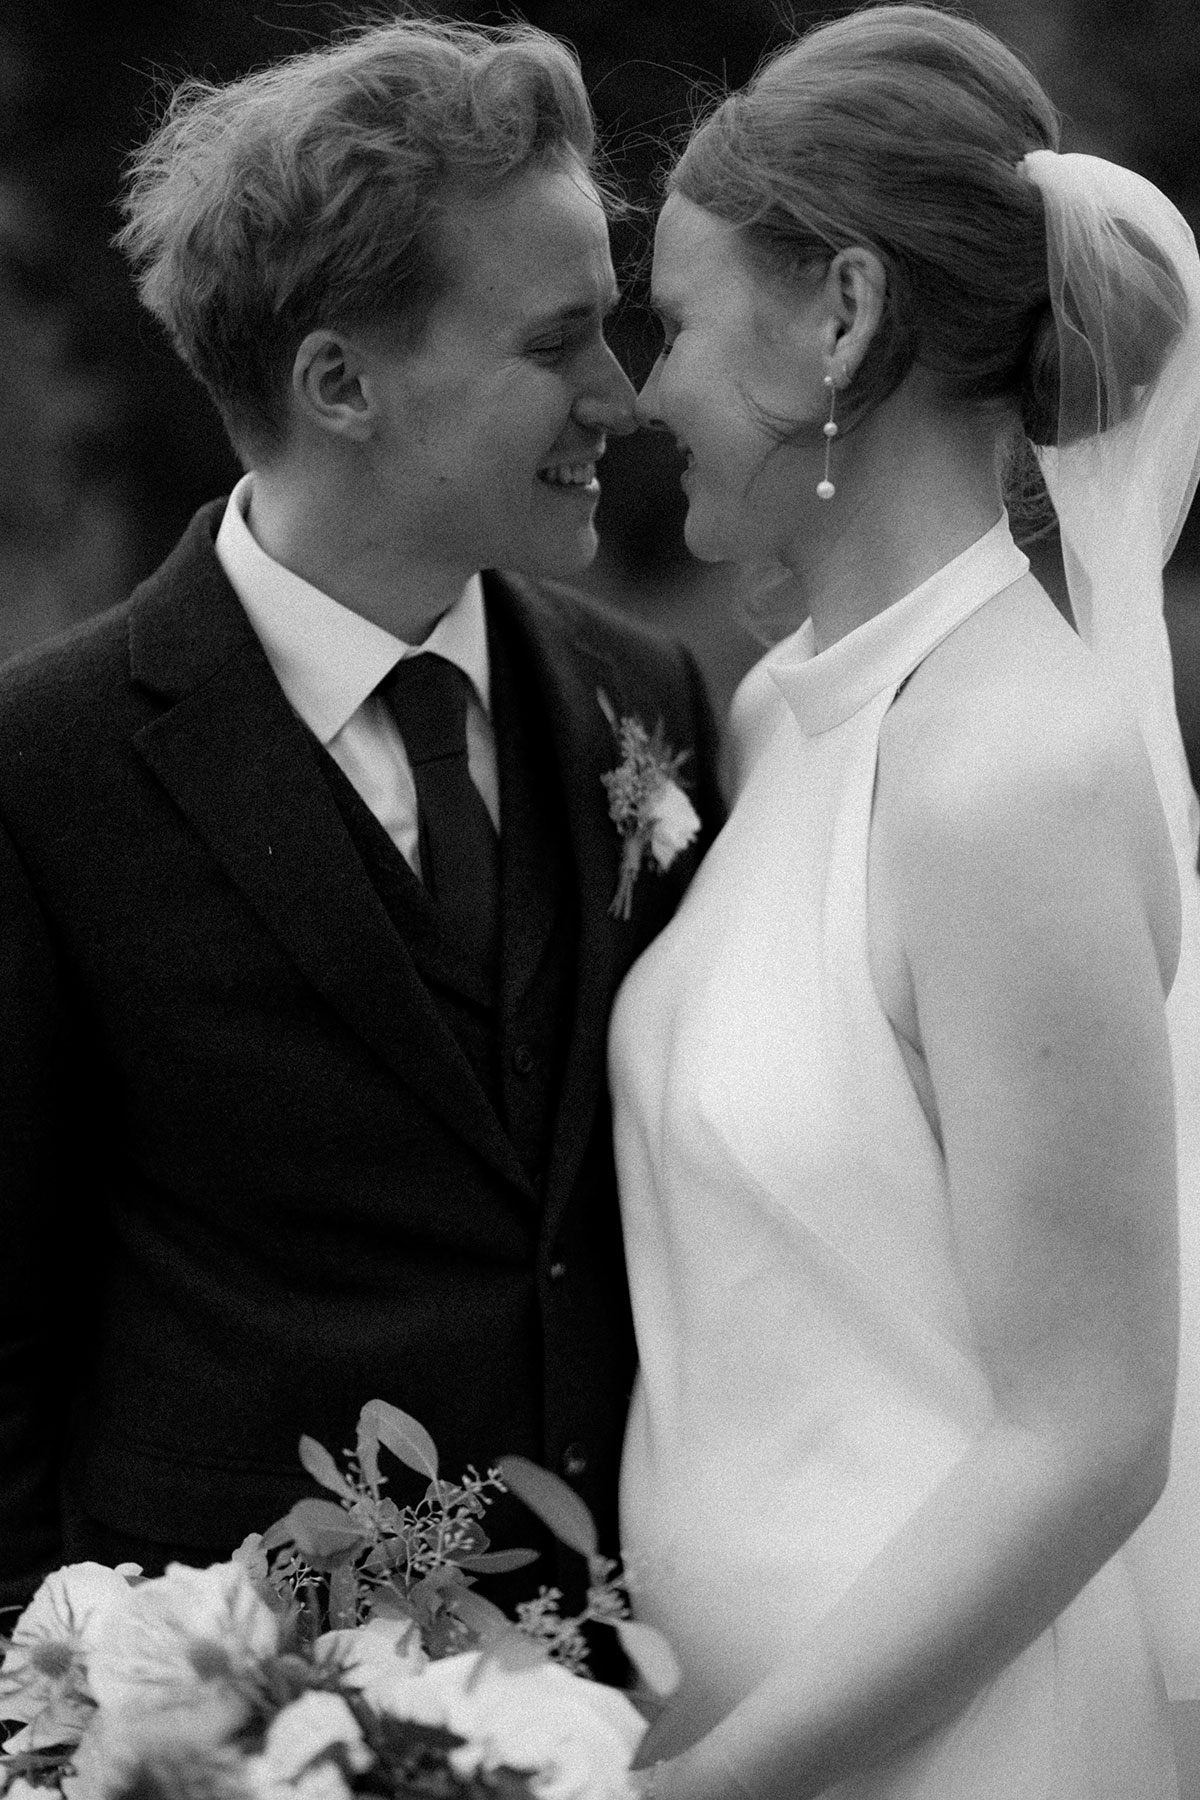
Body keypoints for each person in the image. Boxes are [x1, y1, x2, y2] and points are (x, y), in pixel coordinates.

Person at [0, 16, 723, 1612]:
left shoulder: (650, 701)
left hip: (630, 1675)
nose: (625, 395)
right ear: (340, 382)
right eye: (555, 345)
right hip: (235, 1698)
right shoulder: (41, 772)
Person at [610, 6, 1200, 1795]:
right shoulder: (796, 715)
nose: (645, 395)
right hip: (735, 1731)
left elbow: (1092, 1434)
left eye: (678, 324)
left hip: (948, 1752)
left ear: (843, 319)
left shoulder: (1005, 771)